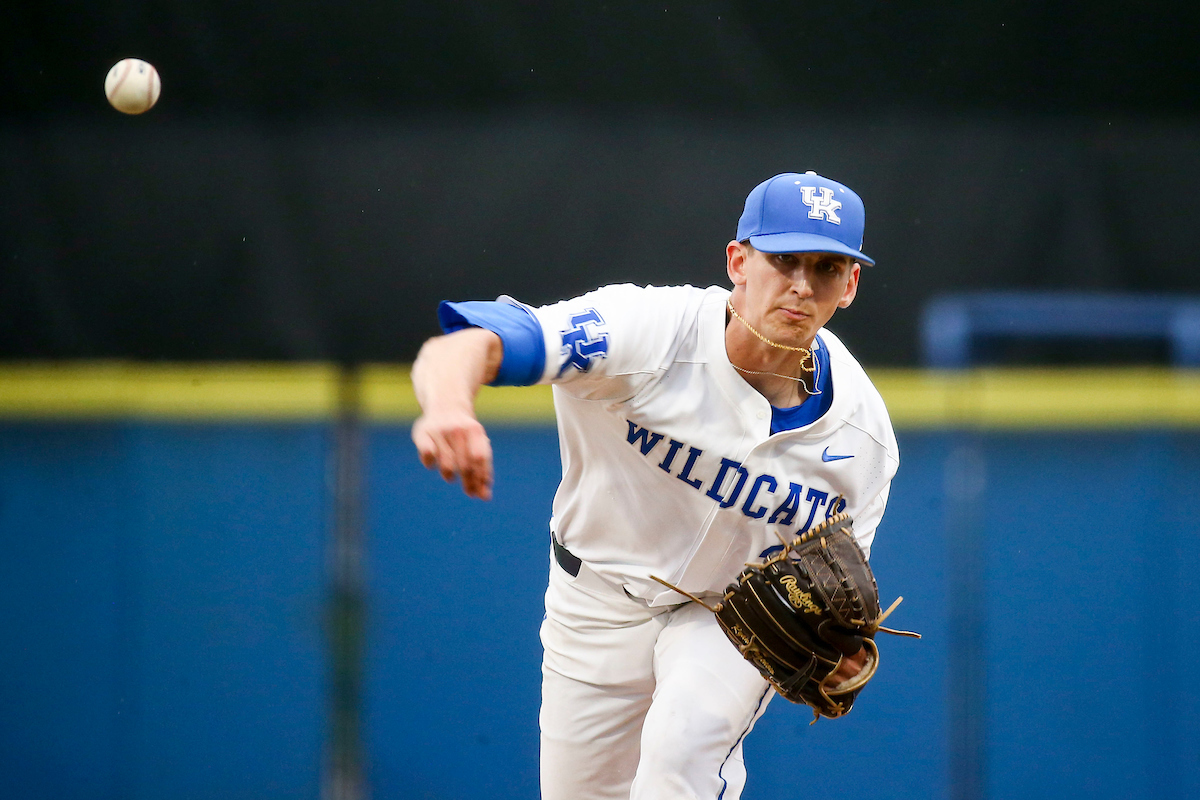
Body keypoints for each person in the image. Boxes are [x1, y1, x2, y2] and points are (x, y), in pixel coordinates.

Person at [411, 171, 899, 800]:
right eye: (783, 259)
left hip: (726, 617)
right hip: (596, 599)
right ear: (739, 261)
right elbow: (466, 346)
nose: (801, 285)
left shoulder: (863, 438)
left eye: (828, 267)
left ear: (851, 284)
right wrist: (449, 407)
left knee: (684, 743)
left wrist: (841, 652)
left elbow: (835, 597)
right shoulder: (646, 330)